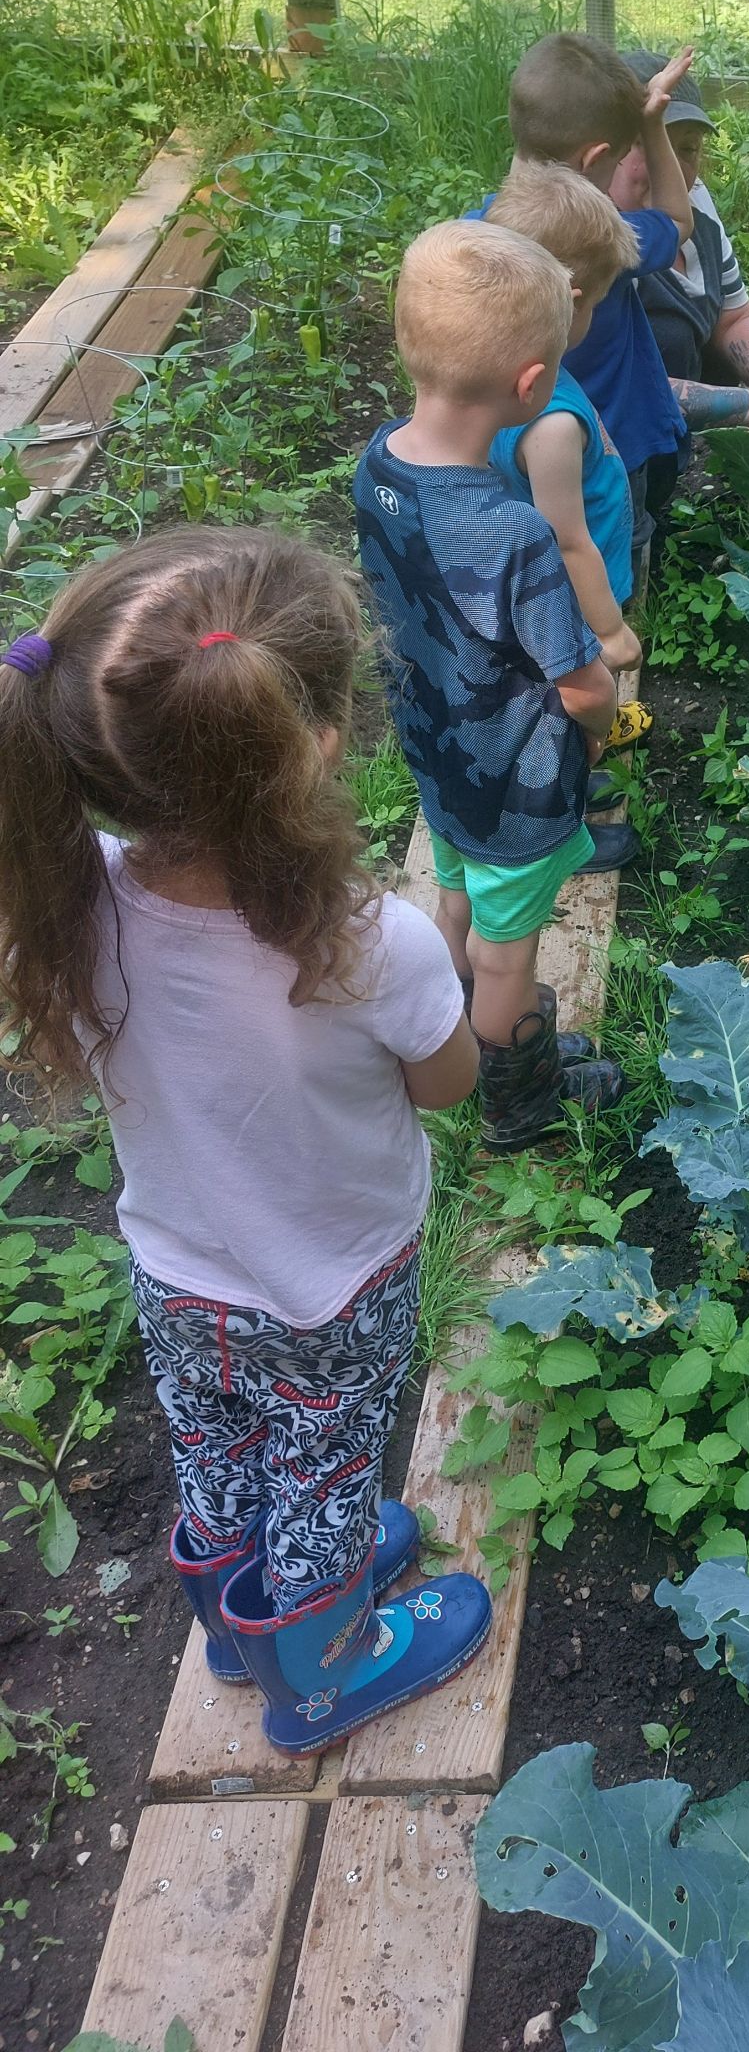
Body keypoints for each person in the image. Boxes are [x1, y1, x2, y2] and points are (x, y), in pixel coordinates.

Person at [0, 527, 494, 1754]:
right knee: (328, 1472)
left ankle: (235, 1620)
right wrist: (453, 952)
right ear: (315, 747)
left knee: (213, 1439)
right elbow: (447, 1085)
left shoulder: (72, 896)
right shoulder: (369, 943)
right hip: (334, 1284)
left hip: (175, 1267)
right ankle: (323, 1670)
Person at [354, 219, 628, 1152]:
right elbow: (583, 685)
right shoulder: (513, 535)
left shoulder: (378, 464)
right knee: (511, 952)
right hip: (515, 783)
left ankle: (457, 1013)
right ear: (531, 384)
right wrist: (603, 731)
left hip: (437, 752)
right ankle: (519, 1100)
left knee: (462, 897)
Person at [610, 52, 749, 548]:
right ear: (604, 152)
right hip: (594, 451)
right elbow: (624, 386)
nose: (675, 169)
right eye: (649, 145)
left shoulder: (695, 204)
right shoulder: (589, 240)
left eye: (686, 149)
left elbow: (734, 317)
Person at [501, 34, 695, 594]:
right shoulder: (600, 239)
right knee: (613, 554)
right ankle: (616, 637)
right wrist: (653, 125)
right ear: (593, 160)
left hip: (512, 444)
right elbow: (678, 220)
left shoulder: (479, 233)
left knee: (533, 560)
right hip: (611, 445)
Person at [484, 162, 644, 678]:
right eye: (598, 301)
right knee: (581, 689)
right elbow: (568, 542)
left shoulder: (489, 372)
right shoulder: (550, 426)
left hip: (550, 583)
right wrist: (610, 632)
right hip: (577, 597)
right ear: (570, 305)